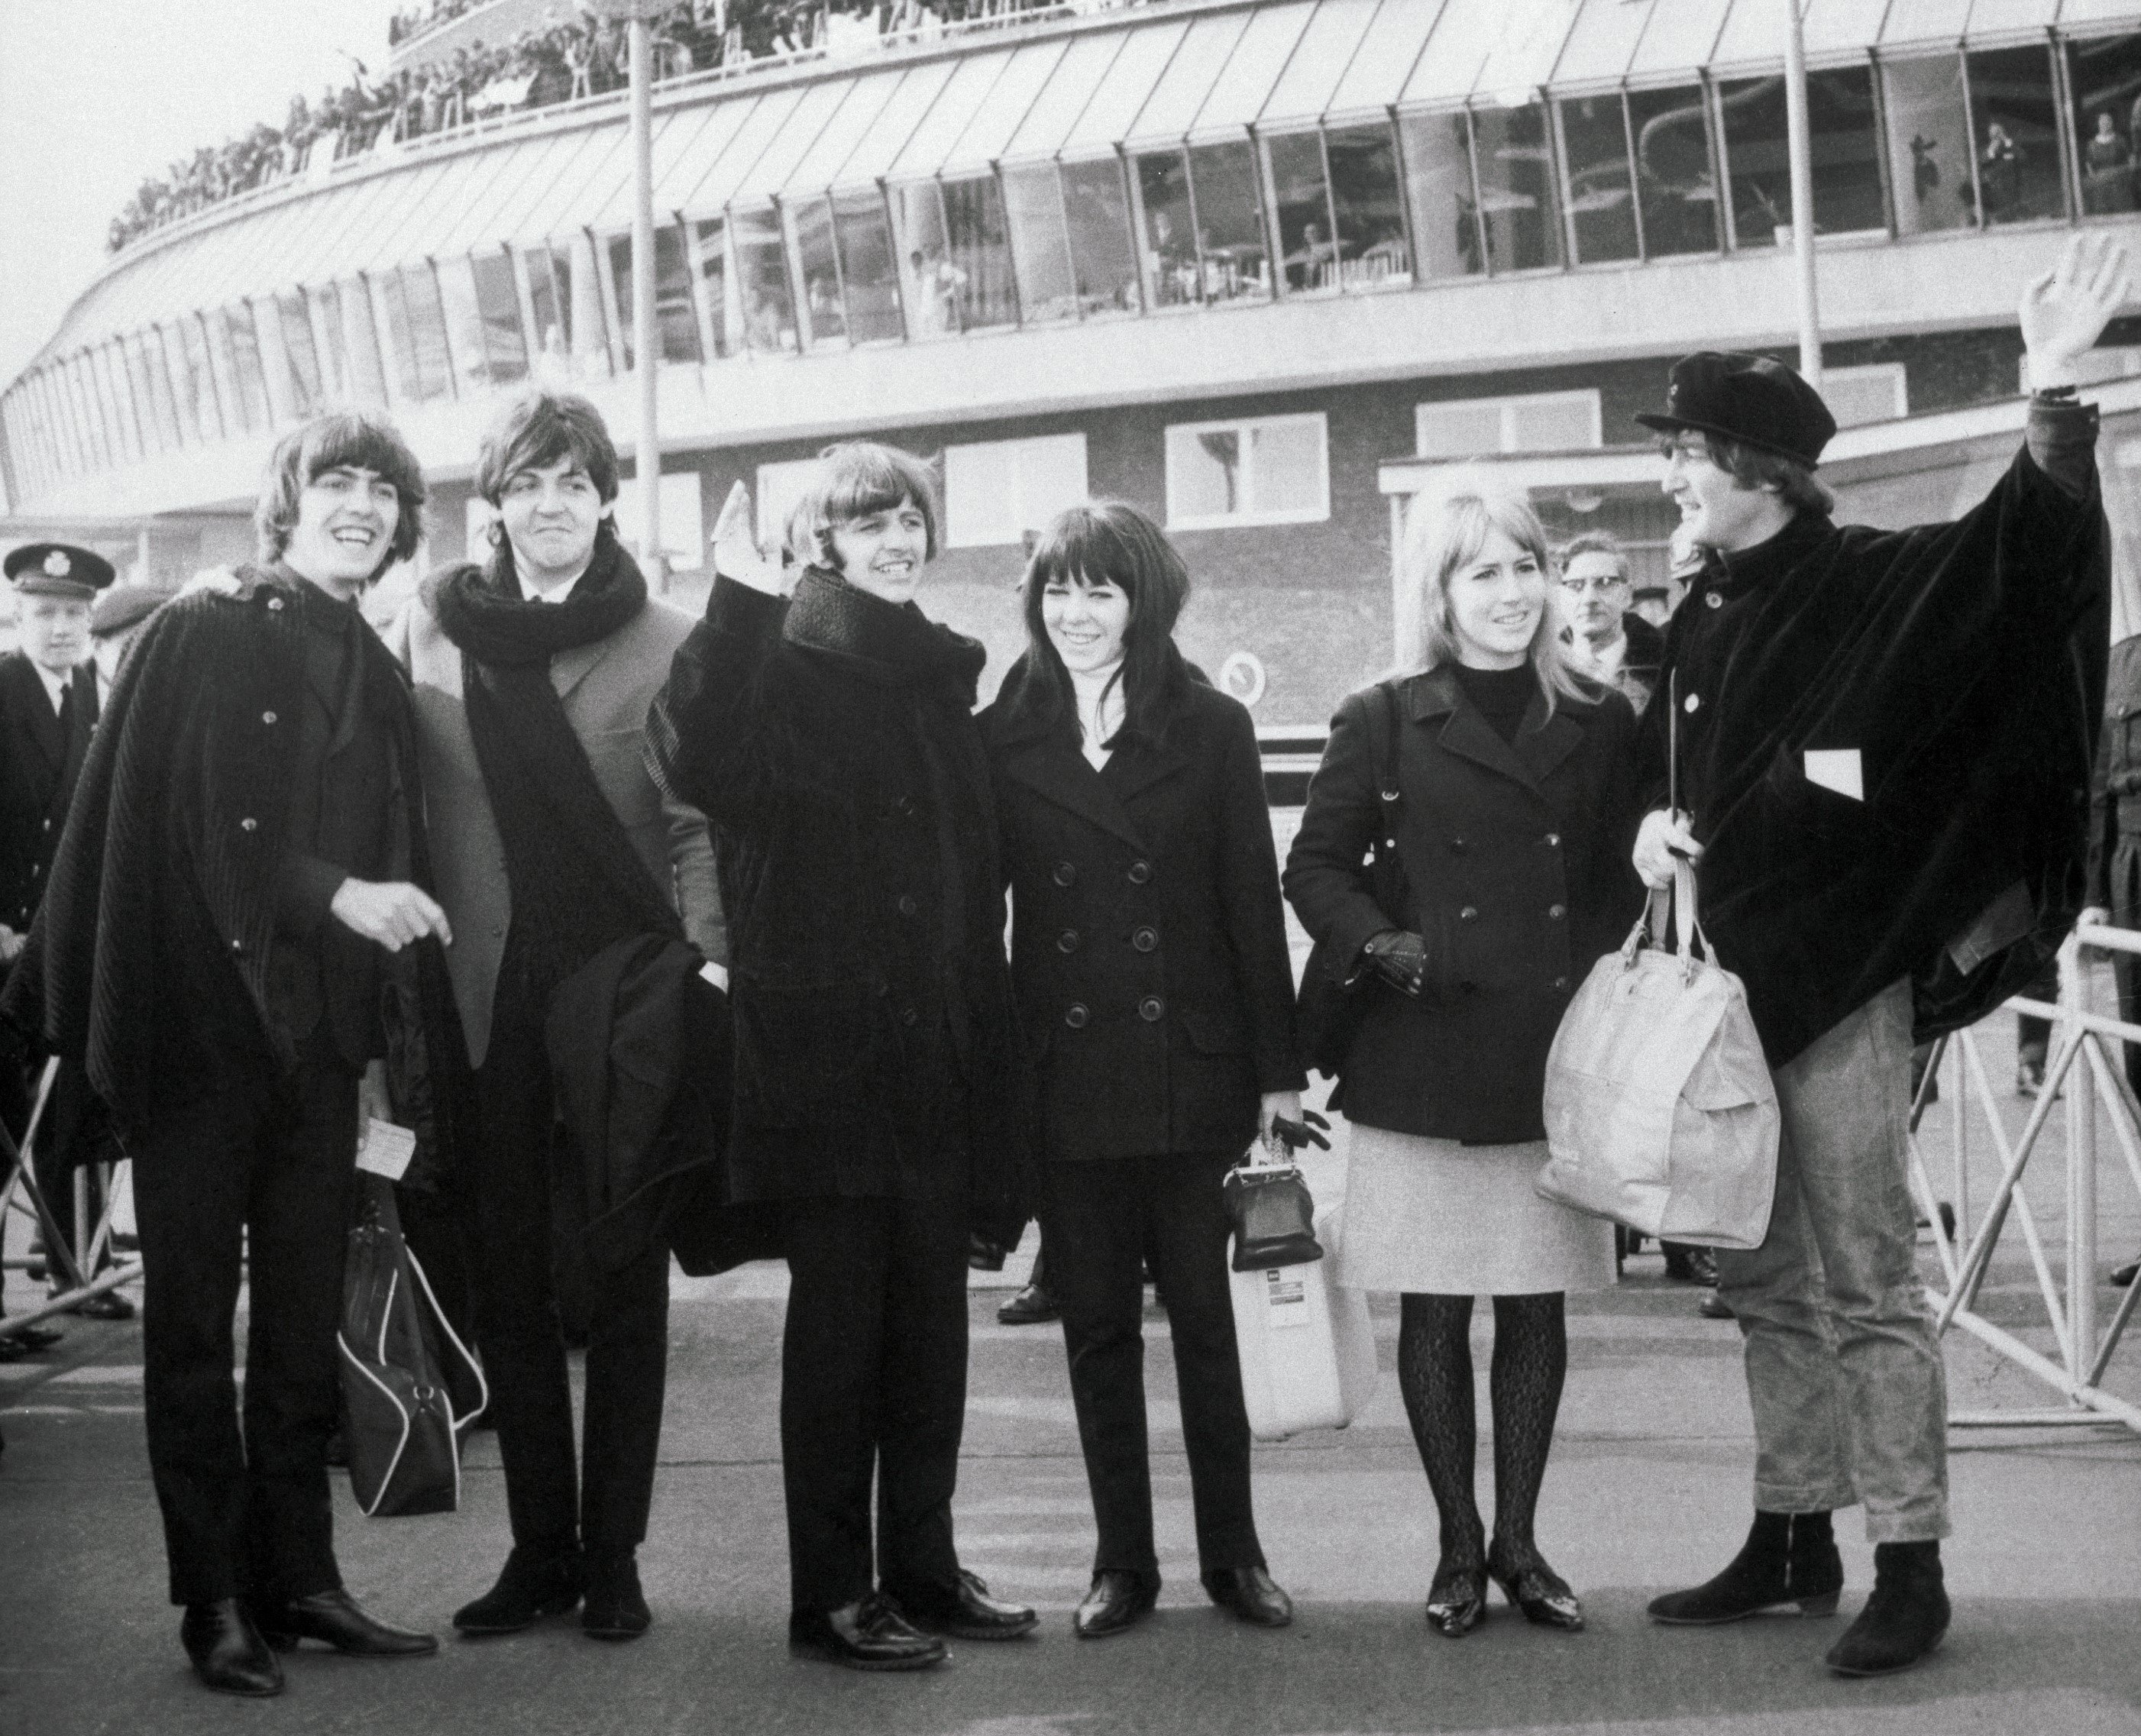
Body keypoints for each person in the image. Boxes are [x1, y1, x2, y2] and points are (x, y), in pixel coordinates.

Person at [1630, 234, 2126, 1678]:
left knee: (1866, 1281)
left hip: (1840, 991)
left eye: (1689, 459)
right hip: (1725, 991)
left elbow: (2019, 558)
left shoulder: (1865, 578)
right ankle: (1792, 1528)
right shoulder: (1700, 611)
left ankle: (1906, 1561)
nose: (1669, 481)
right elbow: (1668, 785)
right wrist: (1646, 832)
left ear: (1764, 471)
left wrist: (2050, 388)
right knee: (1767, 1282)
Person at [2, 412, 459, 1696]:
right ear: (289, 498)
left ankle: (298, 1579)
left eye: (383, 488)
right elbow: (207, 823)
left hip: (316, 1048)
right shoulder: (212, 621)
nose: (361, 504)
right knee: (193, 1326)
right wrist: (341, 895)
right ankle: (212, 1597)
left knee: (306, 1323)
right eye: (338, 482)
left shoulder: (364, 652)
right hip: (201, 1038)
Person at [645, 443, 1034, 1672]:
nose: (894, 538)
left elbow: (973, 885)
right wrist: (733, 598)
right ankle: (830, 1593)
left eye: (908, 517)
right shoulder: (785, 661)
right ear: (820, 540)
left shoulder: (936, 676)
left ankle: (921, 1560)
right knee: (837, 1339)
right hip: (825, 1061)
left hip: (935, 1057)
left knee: (930, 1329)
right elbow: (692, 758)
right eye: (866, 522)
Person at [386, 391, 723, 1643]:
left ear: (604, 499)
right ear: (495, 499)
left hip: (625, 990)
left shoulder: (667, 636)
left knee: (625, 1268)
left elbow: (696, 822)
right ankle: (538, 1546)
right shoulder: (429, 629)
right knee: (509, 1273)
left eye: (574, 481)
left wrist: (706, 966)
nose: (550, 503)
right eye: (529, 480)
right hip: (483, 991)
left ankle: (616, 1555)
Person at [1285, 473, 1642, 1642]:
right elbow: (1314, 869)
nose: (1509, 592)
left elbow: (1612, 880)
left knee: (1535, 1310)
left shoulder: (1598, 715)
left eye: (1522, 566)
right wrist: (1384, 945)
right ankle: (1452, 1544)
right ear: (1435, 592)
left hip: (1548, 1053)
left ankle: (1520, 1544)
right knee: (1433, 1313)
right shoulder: (1380, 713)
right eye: (1479, 571)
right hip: (1421, 1049)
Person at [982, 503, 1304, 1640]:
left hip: (1192, 1070)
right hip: (1066, 1074)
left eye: (1099, 592)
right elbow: (986, 918)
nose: (1074, 614)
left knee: (1209, 1328)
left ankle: (1235, 1556)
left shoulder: (1209, 725)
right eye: (1056, 590)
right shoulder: (1001, 728)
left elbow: (1246, 905)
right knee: (1096, 1331)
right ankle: (1122, 1562)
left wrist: (1278, 1077)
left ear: (1143, 601)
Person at [0, 543, 112, 1349]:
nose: (63, 627)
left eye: (75, 614)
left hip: (43, 951)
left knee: (46, 1114)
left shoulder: (84, 696)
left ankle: (52, 1279)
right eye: (47, 613)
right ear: (18, 616)